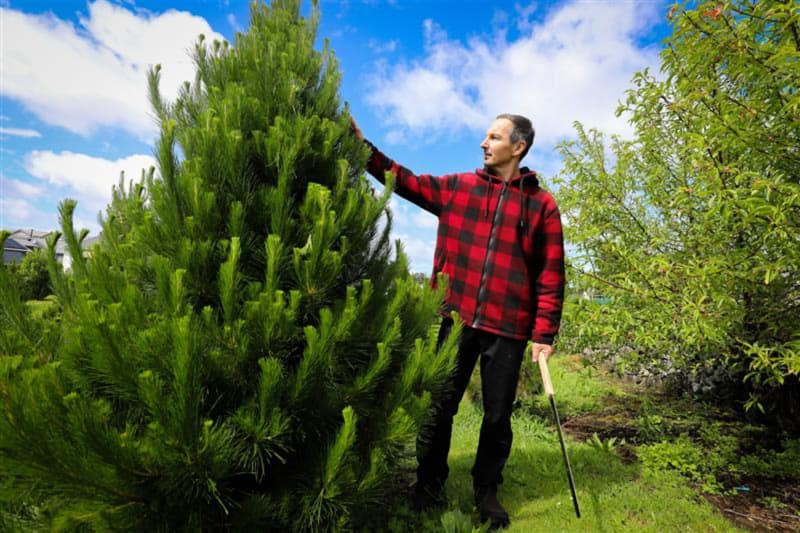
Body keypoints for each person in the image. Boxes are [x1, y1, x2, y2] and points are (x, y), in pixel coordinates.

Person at [351, 114, 565, 529]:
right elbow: (404, 179)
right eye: (487, 135)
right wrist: (364, 148)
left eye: (494, 136)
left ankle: (486, 491)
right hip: (458, 319)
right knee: (437, 408)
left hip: (509, 327)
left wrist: (544, 334)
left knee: (498, 416)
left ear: (517, 148)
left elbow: (551, 273)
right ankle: (428, 486)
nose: (484, 143)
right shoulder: (458, 188)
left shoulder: (542, 205)